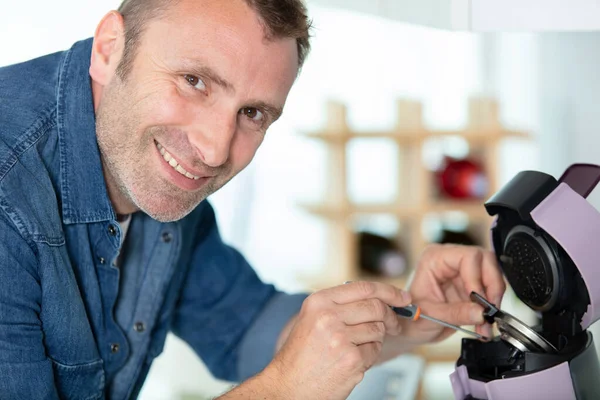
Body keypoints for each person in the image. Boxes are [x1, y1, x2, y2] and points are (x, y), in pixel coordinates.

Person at [0, 0, 506, 399]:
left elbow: (245, 328)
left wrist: (414, 319)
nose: (214, 149)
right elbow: (284, 376)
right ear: (110, 47)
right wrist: (284, 391)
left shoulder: (151, 170)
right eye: (194, 82)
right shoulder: (10, 195)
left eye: (253, 113)